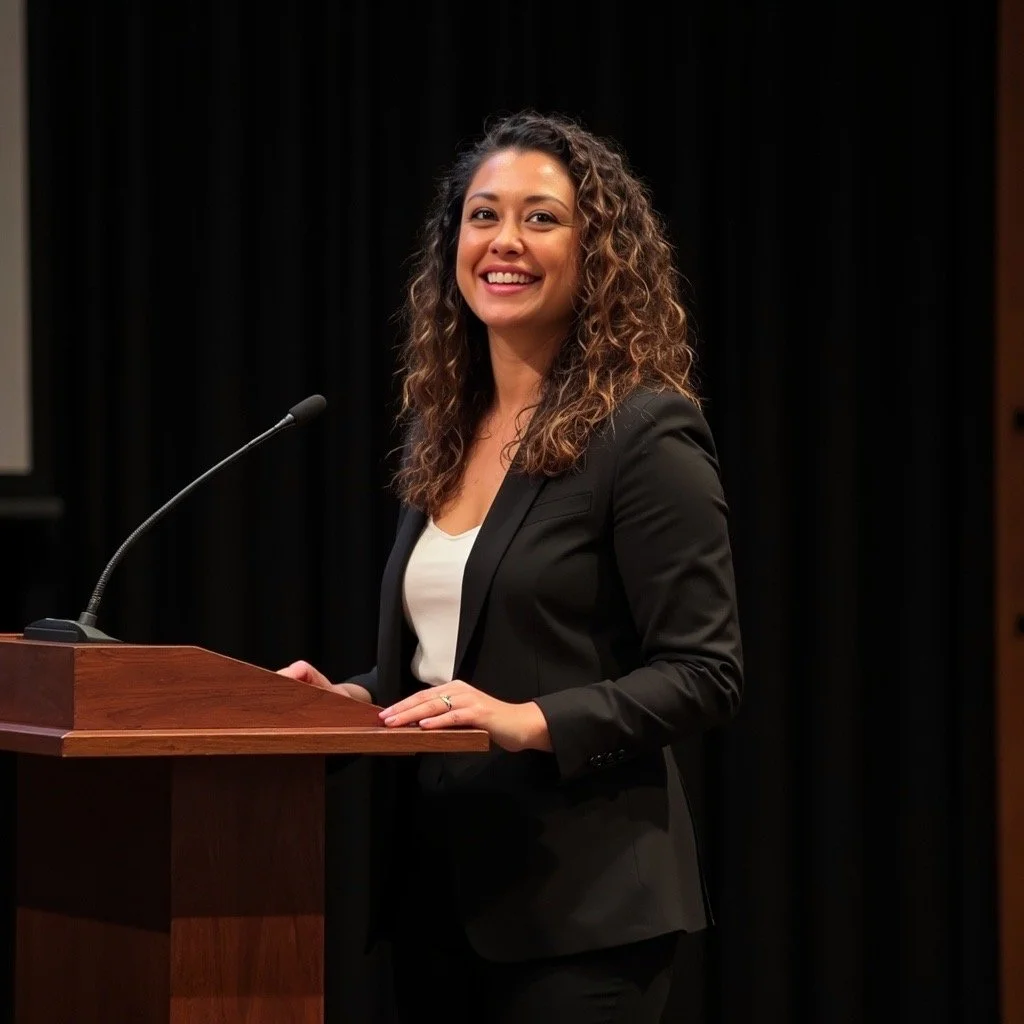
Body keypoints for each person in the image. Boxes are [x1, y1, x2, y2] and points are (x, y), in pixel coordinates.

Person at [279, 109, 743, 1024]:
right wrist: (355, 702)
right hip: (436, 897)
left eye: (542, 218)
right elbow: (450, 664)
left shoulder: (644, 433)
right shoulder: (443, 430)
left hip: (582, 913)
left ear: (596, 251)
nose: (505, 242)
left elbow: (706, 672)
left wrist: (531, 720)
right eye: (483, 216)